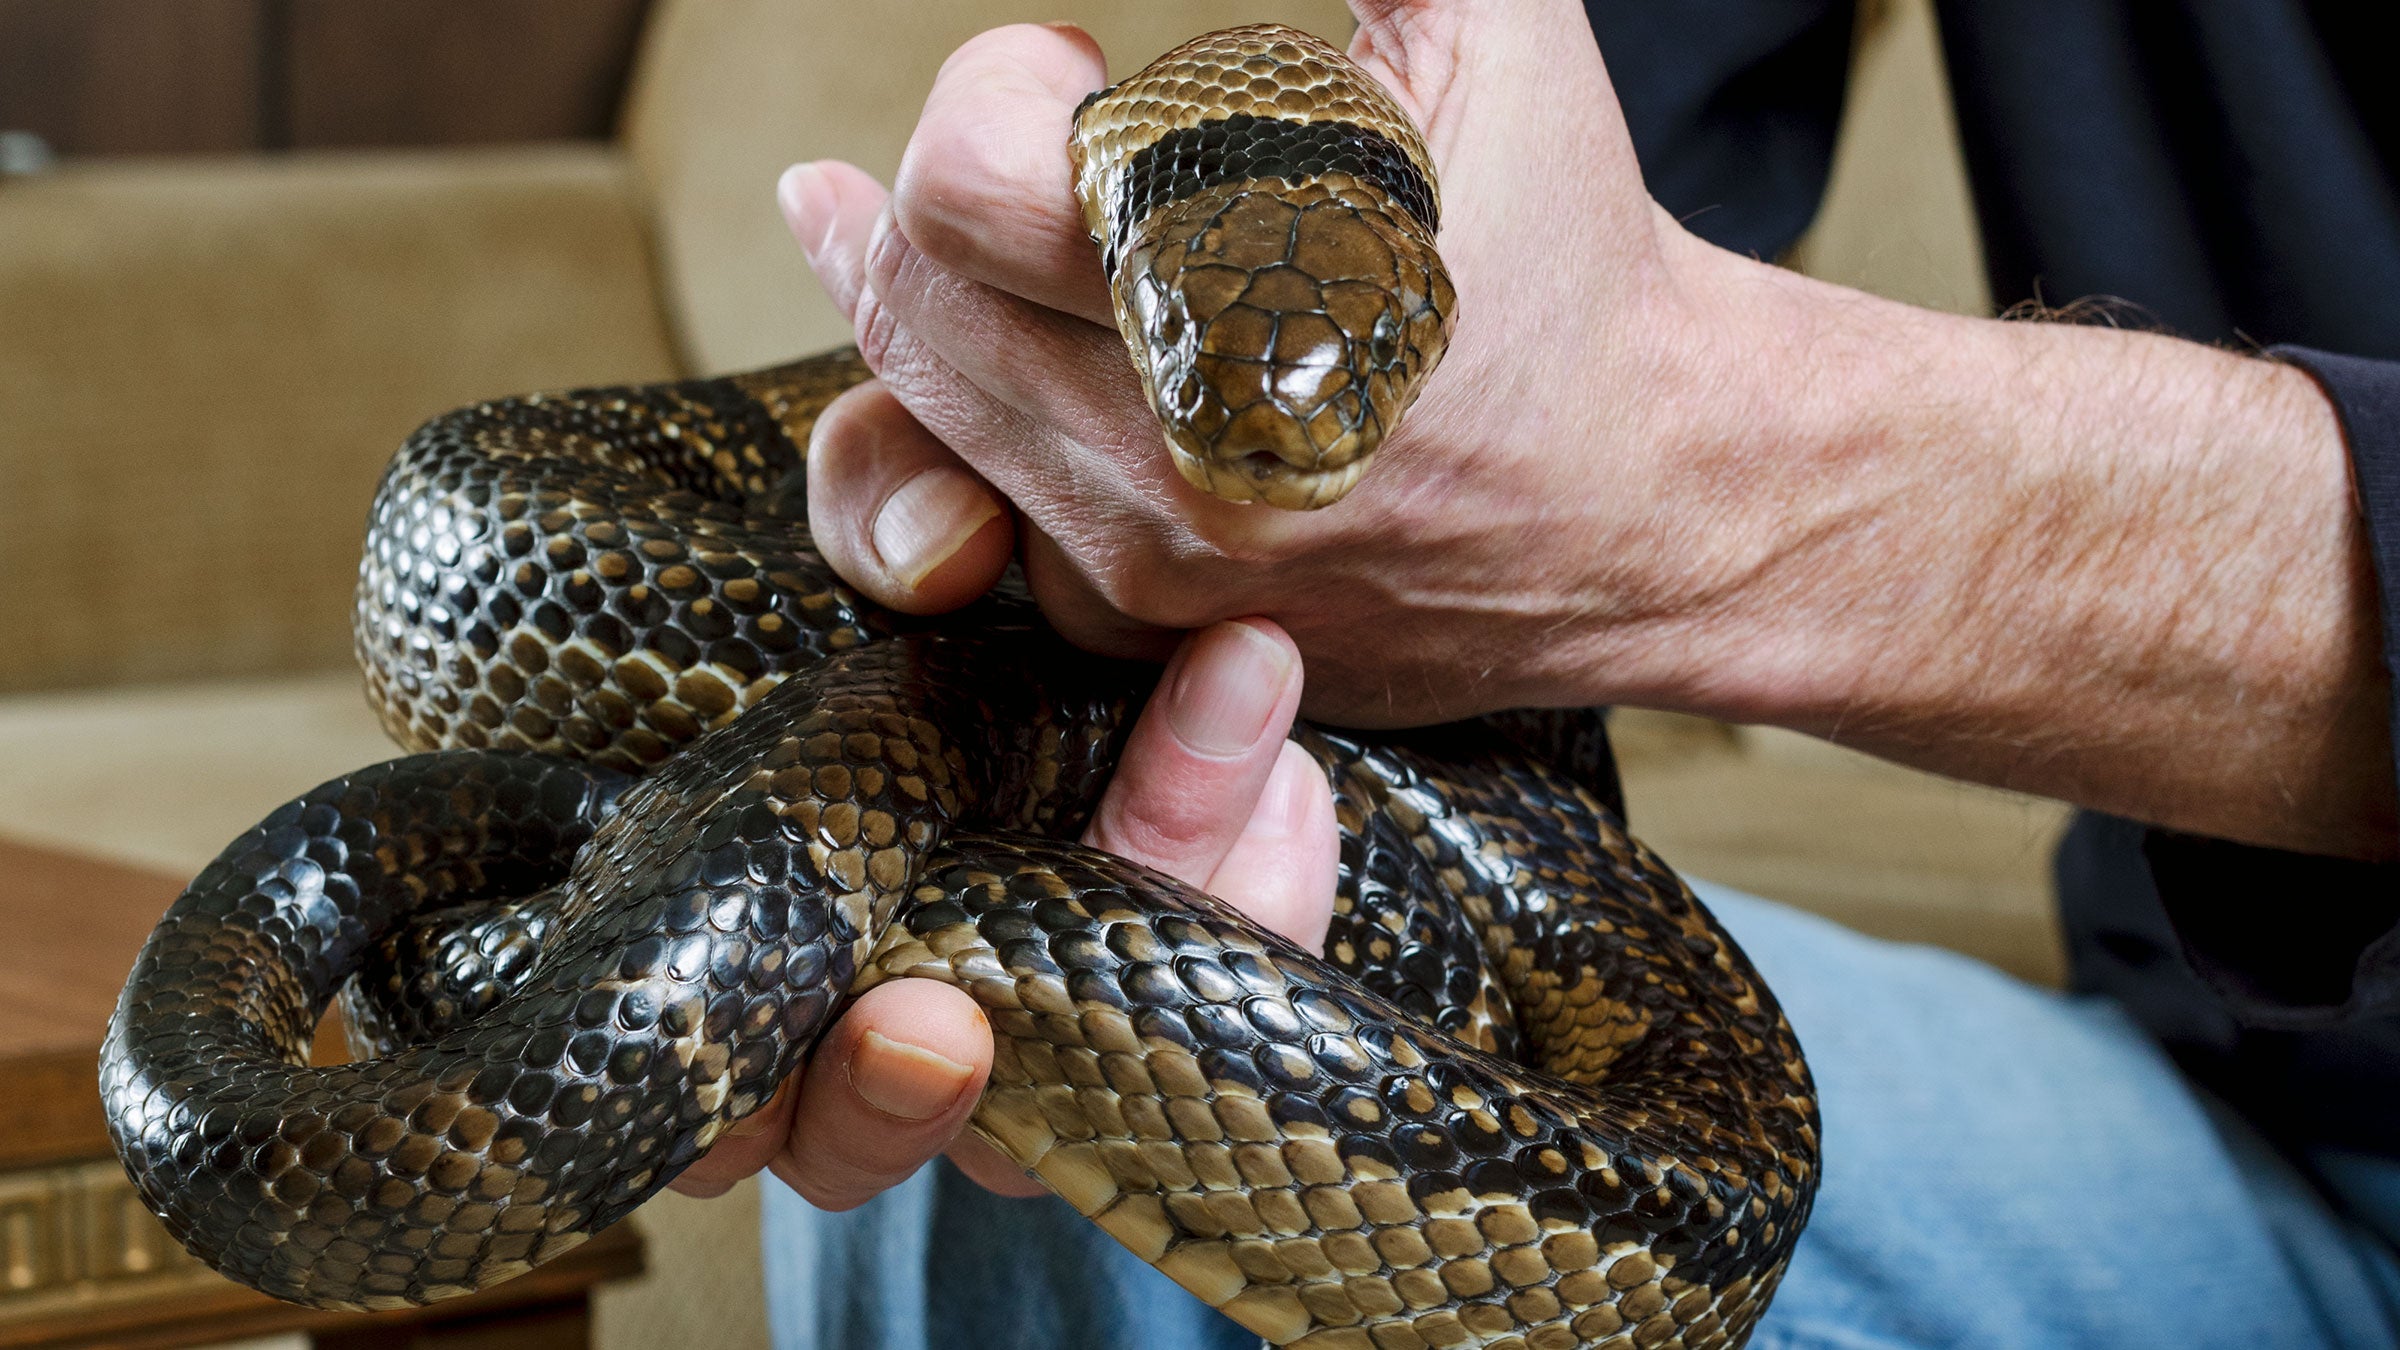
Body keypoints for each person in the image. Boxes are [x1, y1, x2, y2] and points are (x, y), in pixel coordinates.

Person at [670, 1, 2400, 1345]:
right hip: (2241, 1120)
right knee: (1015, 1017)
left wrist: (1732, 487)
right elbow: (1561, 175)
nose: (1275, 446)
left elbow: (1625, 415)